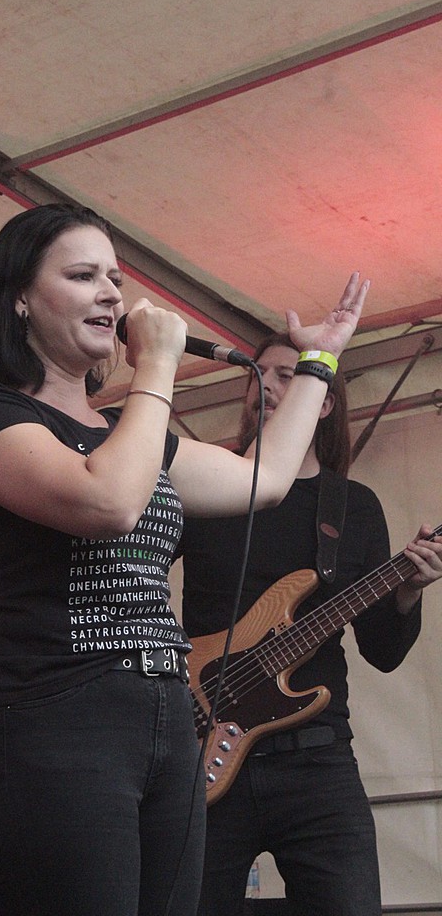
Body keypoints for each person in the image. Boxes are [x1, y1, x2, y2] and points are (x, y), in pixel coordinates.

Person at [0, 202, 370, 916]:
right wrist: (159, 368)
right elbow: (107, 501)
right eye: (83, 276)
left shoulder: (128, 430)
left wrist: (319, 361)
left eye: (115, 277)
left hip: (167, 715)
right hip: (55, 720)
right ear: (18, 297)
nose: (111, 294)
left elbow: (265, 479)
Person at [179, 332, 442, 916]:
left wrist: (407, 592)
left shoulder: (352, 506)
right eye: (258, 374)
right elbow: (132, 577)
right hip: (202, 749)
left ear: (323, 403)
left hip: (317, 762)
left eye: (287, 376)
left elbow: (382, 651)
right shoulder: (206, 488)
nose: (266, 386)